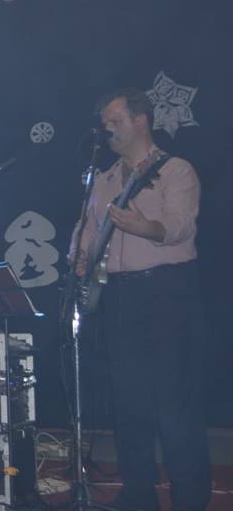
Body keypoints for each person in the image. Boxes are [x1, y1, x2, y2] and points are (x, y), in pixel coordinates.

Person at [69, 89, 210, 511]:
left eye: (115, 121)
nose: (107, 129)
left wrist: (142, 226)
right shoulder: (105, 179)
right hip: (119, 296)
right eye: (104, 122)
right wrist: (78, 256)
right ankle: (137, 494)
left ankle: (189, 498)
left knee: (173, 402)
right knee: (128, 402)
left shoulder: (175, 169)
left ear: (141, 120)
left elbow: (181, 226)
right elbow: (86, 230)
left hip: (166, 293)